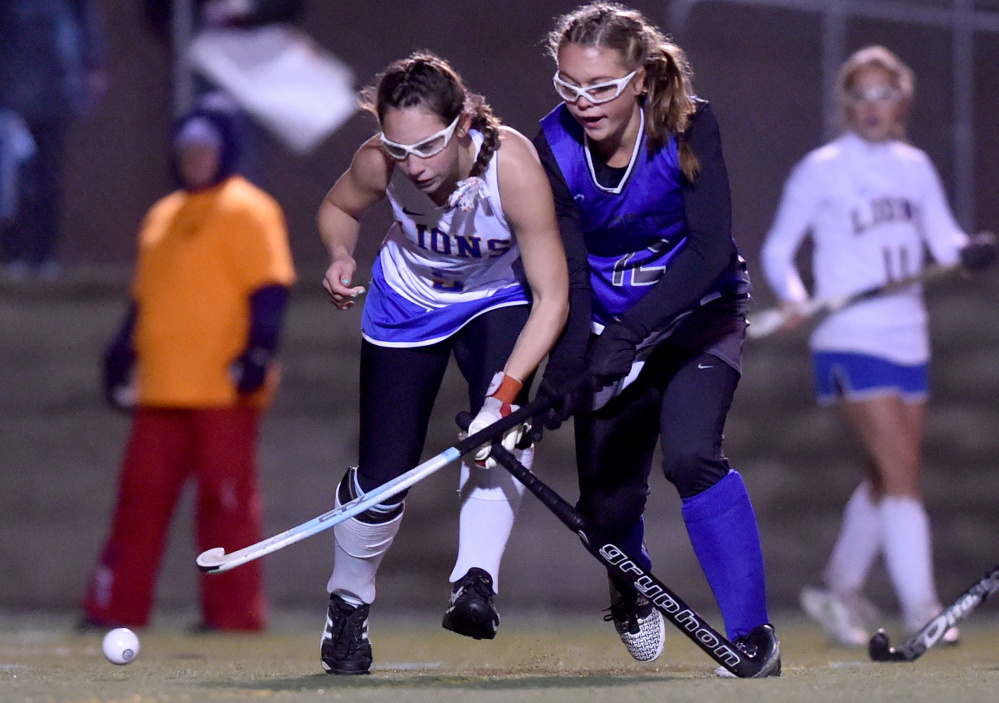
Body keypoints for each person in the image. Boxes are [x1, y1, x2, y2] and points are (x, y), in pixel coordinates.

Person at [532, 2, 780, 676]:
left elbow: (708, 250)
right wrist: (566, 365)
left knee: (692, 455)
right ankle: (630, 582)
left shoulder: (690, 125)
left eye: (601, 86)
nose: (583, 102)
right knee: (605, 512)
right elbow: (568, 265)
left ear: (640, 79)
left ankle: (753, 634)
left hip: (699, 315)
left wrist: (630, 333)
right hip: (606, 324)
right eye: (569, 85)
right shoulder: (552, 145)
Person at [316, 52, 568, 675]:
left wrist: (503, 397)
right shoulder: (379, 161)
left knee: (500, 436)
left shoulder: (512, 167)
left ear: (463, 125)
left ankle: (475, 580)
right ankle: (348, 602)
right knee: (382, 479)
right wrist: (340, 255)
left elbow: (552, 297)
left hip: (495, 296)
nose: (415, 166)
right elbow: (338, 209)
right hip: (407, 300)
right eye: (400, 149)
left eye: (429, 146)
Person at [760, 46, 992, 647]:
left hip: (907, 335)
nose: (872, 106)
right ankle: (924, 609)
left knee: (888, 476)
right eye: (860, 95)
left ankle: (835, 588)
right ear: (846, 103)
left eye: (883, 94)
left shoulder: (915, 167)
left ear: (902, 101)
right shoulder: (822, 169)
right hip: (849, 336)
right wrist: (793, 295)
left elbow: (943, 239)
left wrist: (968, 251)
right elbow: (779, 249)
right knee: (903, 475)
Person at [80, 105, 296, 631]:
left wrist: (258, 352)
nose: (195, 159)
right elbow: (145, 297)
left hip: (223, 390)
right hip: (160, 388)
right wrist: (121, 352)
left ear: (225, 151)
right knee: (139, 503)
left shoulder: (251, 209)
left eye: (205, 150)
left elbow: (270, 289)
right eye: (187, 150)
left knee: (226, 505)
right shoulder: (162, 215)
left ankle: (234, 614)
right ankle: (115, 606)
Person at [0, 0, 107, 280]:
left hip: (57, 82)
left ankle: (45, 255)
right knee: (15, 178)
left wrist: (92, 64)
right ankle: (14, 254)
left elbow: (86, 18)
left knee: (49, 175)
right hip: (12, 83)